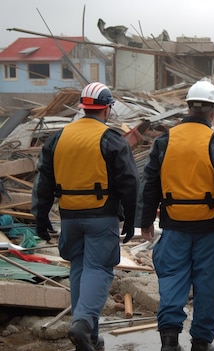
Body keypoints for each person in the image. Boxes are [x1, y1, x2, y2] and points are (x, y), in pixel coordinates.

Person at [137, 79, 214, 351]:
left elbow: (150, 183)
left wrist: (146, 220)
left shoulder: (164, 141)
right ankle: (201, 343)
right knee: (209, 287)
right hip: (210, 229)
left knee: (172, 281)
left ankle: (169, 341)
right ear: (213, 111)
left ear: (187, 107)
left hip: (174, 227)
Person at [32, 82, 139, 351]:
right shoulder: (111, 139)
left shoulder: (59, 137)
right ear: (108, 108)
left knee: (80, 268)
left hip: (69, 216)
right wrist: (131, 217)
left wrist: (41, 217)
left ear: (83, 107)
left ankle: (89, 336)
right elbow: (129, 181)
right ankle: (82, 324)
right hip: (101, 217)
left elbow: (43, 180)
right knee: (99, 268)